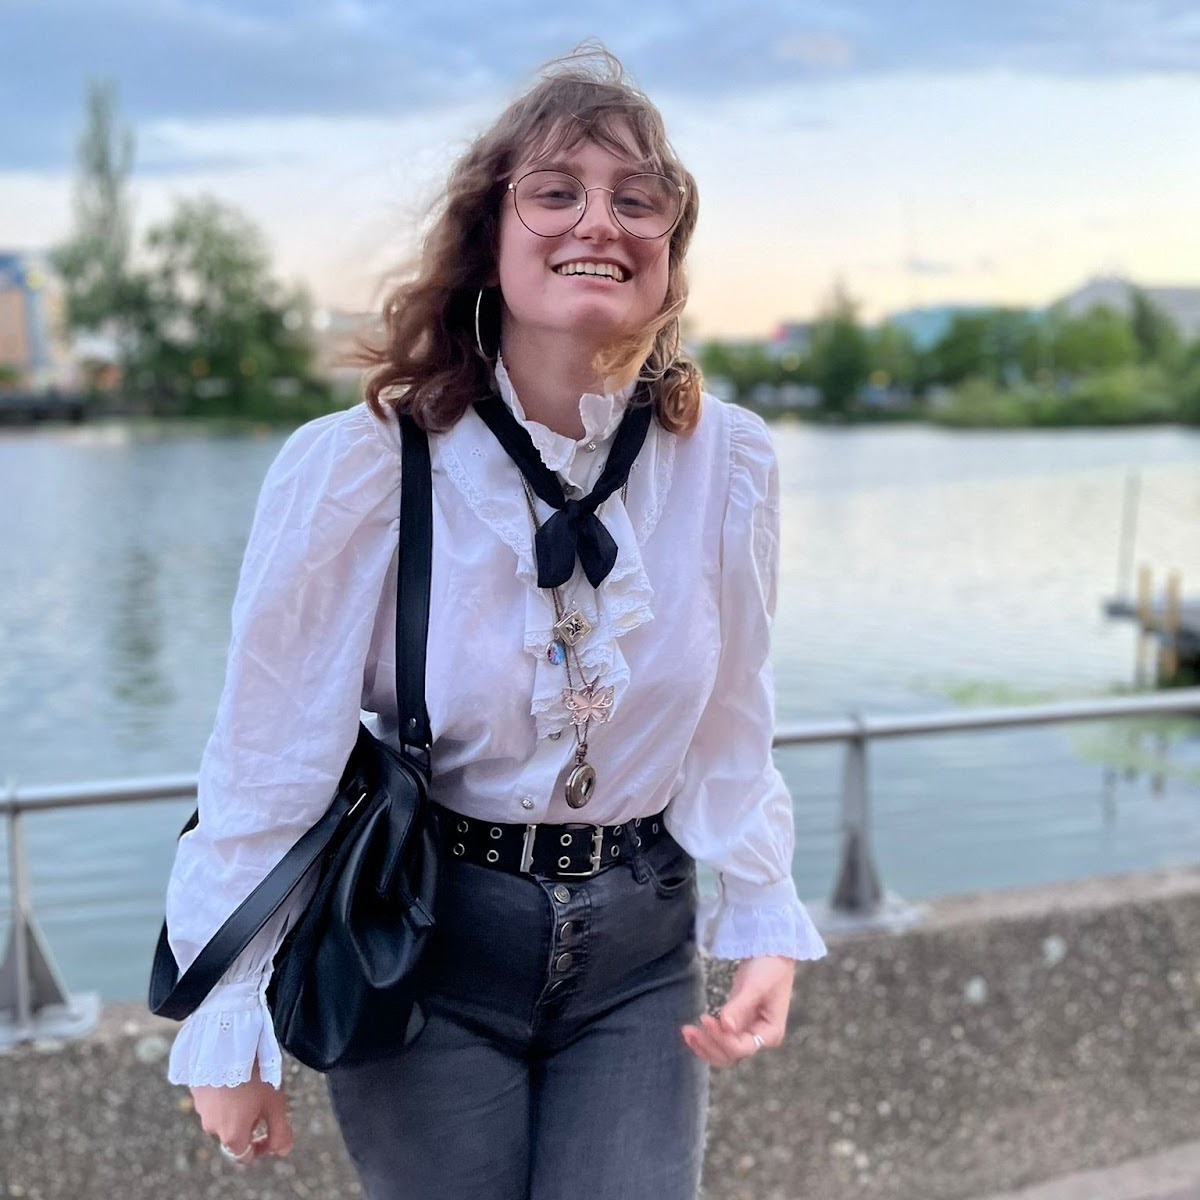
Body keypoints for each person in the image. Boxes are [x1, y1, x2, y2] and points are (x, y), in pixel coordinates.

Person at [163, 43, 827, 1200]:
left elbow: (734, 714)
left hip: (639, 945)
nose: (600, 222)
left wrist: (762, 909)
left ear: (670, 254)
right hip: (424, 937)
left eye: (639, 200)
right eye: (556, 192)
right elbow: (270, 750)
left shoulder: (727, 458)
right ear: (489, 235)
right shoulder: (367, 463)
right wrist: (228, 1004)